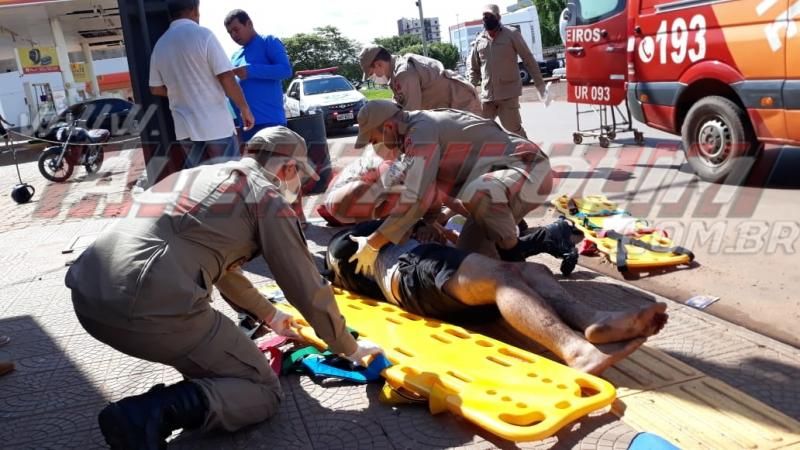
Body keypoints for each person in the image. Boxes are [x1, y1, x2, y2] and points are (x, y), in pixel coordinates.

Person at [66, 126, 382, 448]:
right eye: (299, 175)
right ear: (288, 168)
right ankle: (149, 414)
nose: (298, 187)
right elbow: (304, 284)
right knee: (263, 390)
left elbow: (219, 265)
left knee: (214, 350)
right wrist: (349, 347)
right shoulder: (267, 198)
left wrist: (271, 315)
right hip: (147, 311)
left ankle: (187, 390)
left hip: (89, 297)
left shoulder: (203, 176)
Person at [325, 220, 668, 375]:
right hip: (412, 272)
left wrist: (423, 225)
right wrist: (409, 223)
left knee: (533, 273)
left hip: (433, 279)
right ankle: (576, 351)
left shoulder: (383, 231)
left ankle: (593, 320)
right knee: (502, 277)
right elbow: (345, 249)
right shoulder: (344, 244)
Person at [347, 100, 580, 278]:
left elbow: (416, 198)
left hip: (530, 170)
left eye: (374, 138)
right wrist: (429, 223)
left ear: (388, 127)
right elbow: (431, 195)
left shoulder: (421, 132)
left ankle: (517, 260)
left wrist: (374, 242)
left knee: (481, 193)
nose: (374, 144)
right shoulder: (413, 137)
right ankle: (550, 237)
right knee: (469, 263)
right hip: (500, 183)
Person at [149, 0, 255, 169]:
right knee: (230, 179)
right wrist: (244, 108)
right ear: (194, 10)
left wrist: (180, 91)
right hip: (215, 124)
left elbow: (155, 88)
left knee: (201, 183)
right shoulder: (203, 35)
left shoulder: (160, 45)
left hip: (184, 128)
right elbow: (226, 77)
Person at [469, 4, 548, 138]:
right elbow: (474, 69)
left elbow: (528, 60)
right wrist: (469, 89)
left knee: (514, 131)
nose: (487, 19)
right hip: (487, 97)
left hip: (508, 95)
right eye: (485, 17)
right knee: (479, 131)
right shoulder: (479, 40)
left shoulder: (511, 35)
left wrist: (540, 85)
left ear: (498, 17)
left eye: (490, 16)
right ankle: (486, 157)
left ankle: (530, 156)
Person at [225, 9, 293, 141]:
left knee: (275, 162)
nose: (233, 35)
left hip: (270, 122)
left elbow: (285, 70)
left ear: (249, 23)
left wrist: (251, 71)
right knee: (254, 162)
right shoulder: (235, 56)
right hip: (247, 125)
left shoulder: (268, 41)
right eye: (229, 32)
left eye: (236, 29)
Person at [359, 45, 481, 114]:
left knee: (467, 153)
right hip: (451, 109)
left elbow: (412, 115)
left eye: (371, 74)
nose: (373, 79)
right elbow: (399, 106)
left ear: (379, 64)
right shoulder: (395, 74)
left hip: (463, 104)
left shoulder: (404, 73)